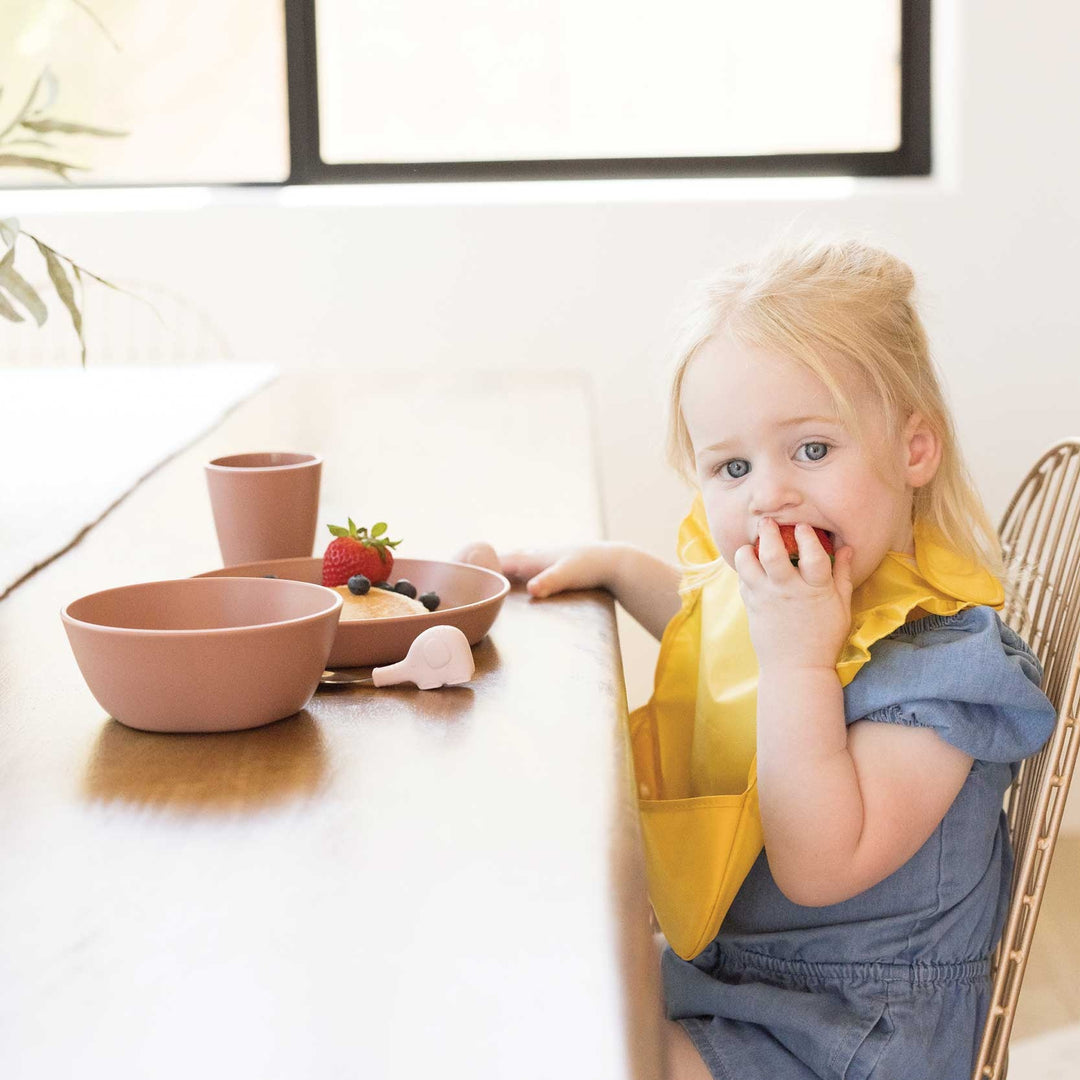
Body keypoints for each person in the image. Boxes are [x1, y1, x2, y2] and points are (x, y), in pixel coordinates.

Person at [459, 236, 1057, 1080]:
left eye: (811, 449)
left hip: (849, 1036)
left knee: (587, 1048)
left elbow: (820, 864)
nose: (769, 492)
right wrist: (623, 568)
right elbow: (727, 647)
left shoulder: (943, 675)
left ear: (914, 450)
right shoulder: (805, 606)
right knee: (529, 984)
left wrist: (797, 665)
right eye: (732, 466)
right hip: (734, 973)